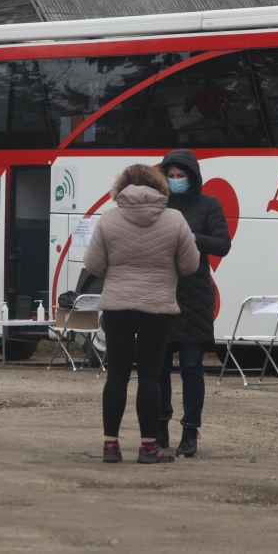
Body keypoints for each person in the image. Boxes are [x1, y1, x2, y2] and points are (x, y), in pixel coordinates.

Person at [84, 164, 199, 464]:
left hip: (117, 307)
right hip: (157, 307)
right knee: (150, 375)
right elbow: (190, 266)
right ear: (158, 185)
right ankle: (149, 446)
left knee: (117, 373)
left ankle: (111, 446)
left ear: (122, 186)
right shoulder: (174, 219)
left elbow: (94, 265)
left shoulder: (108, 219)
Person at [157, 150, 231, 458]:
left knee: (191, 367)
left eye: (181, 176)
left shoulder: (209, 204)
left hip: (195, 295)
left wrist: (188, 235)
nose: (175, 182)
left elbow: (222, 244)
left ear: (193, 176)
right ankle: (159, 426)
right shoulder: (156, 204)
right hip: (159, 293)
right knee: (158, 369)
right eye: (170, 176)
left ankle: (190, 430)